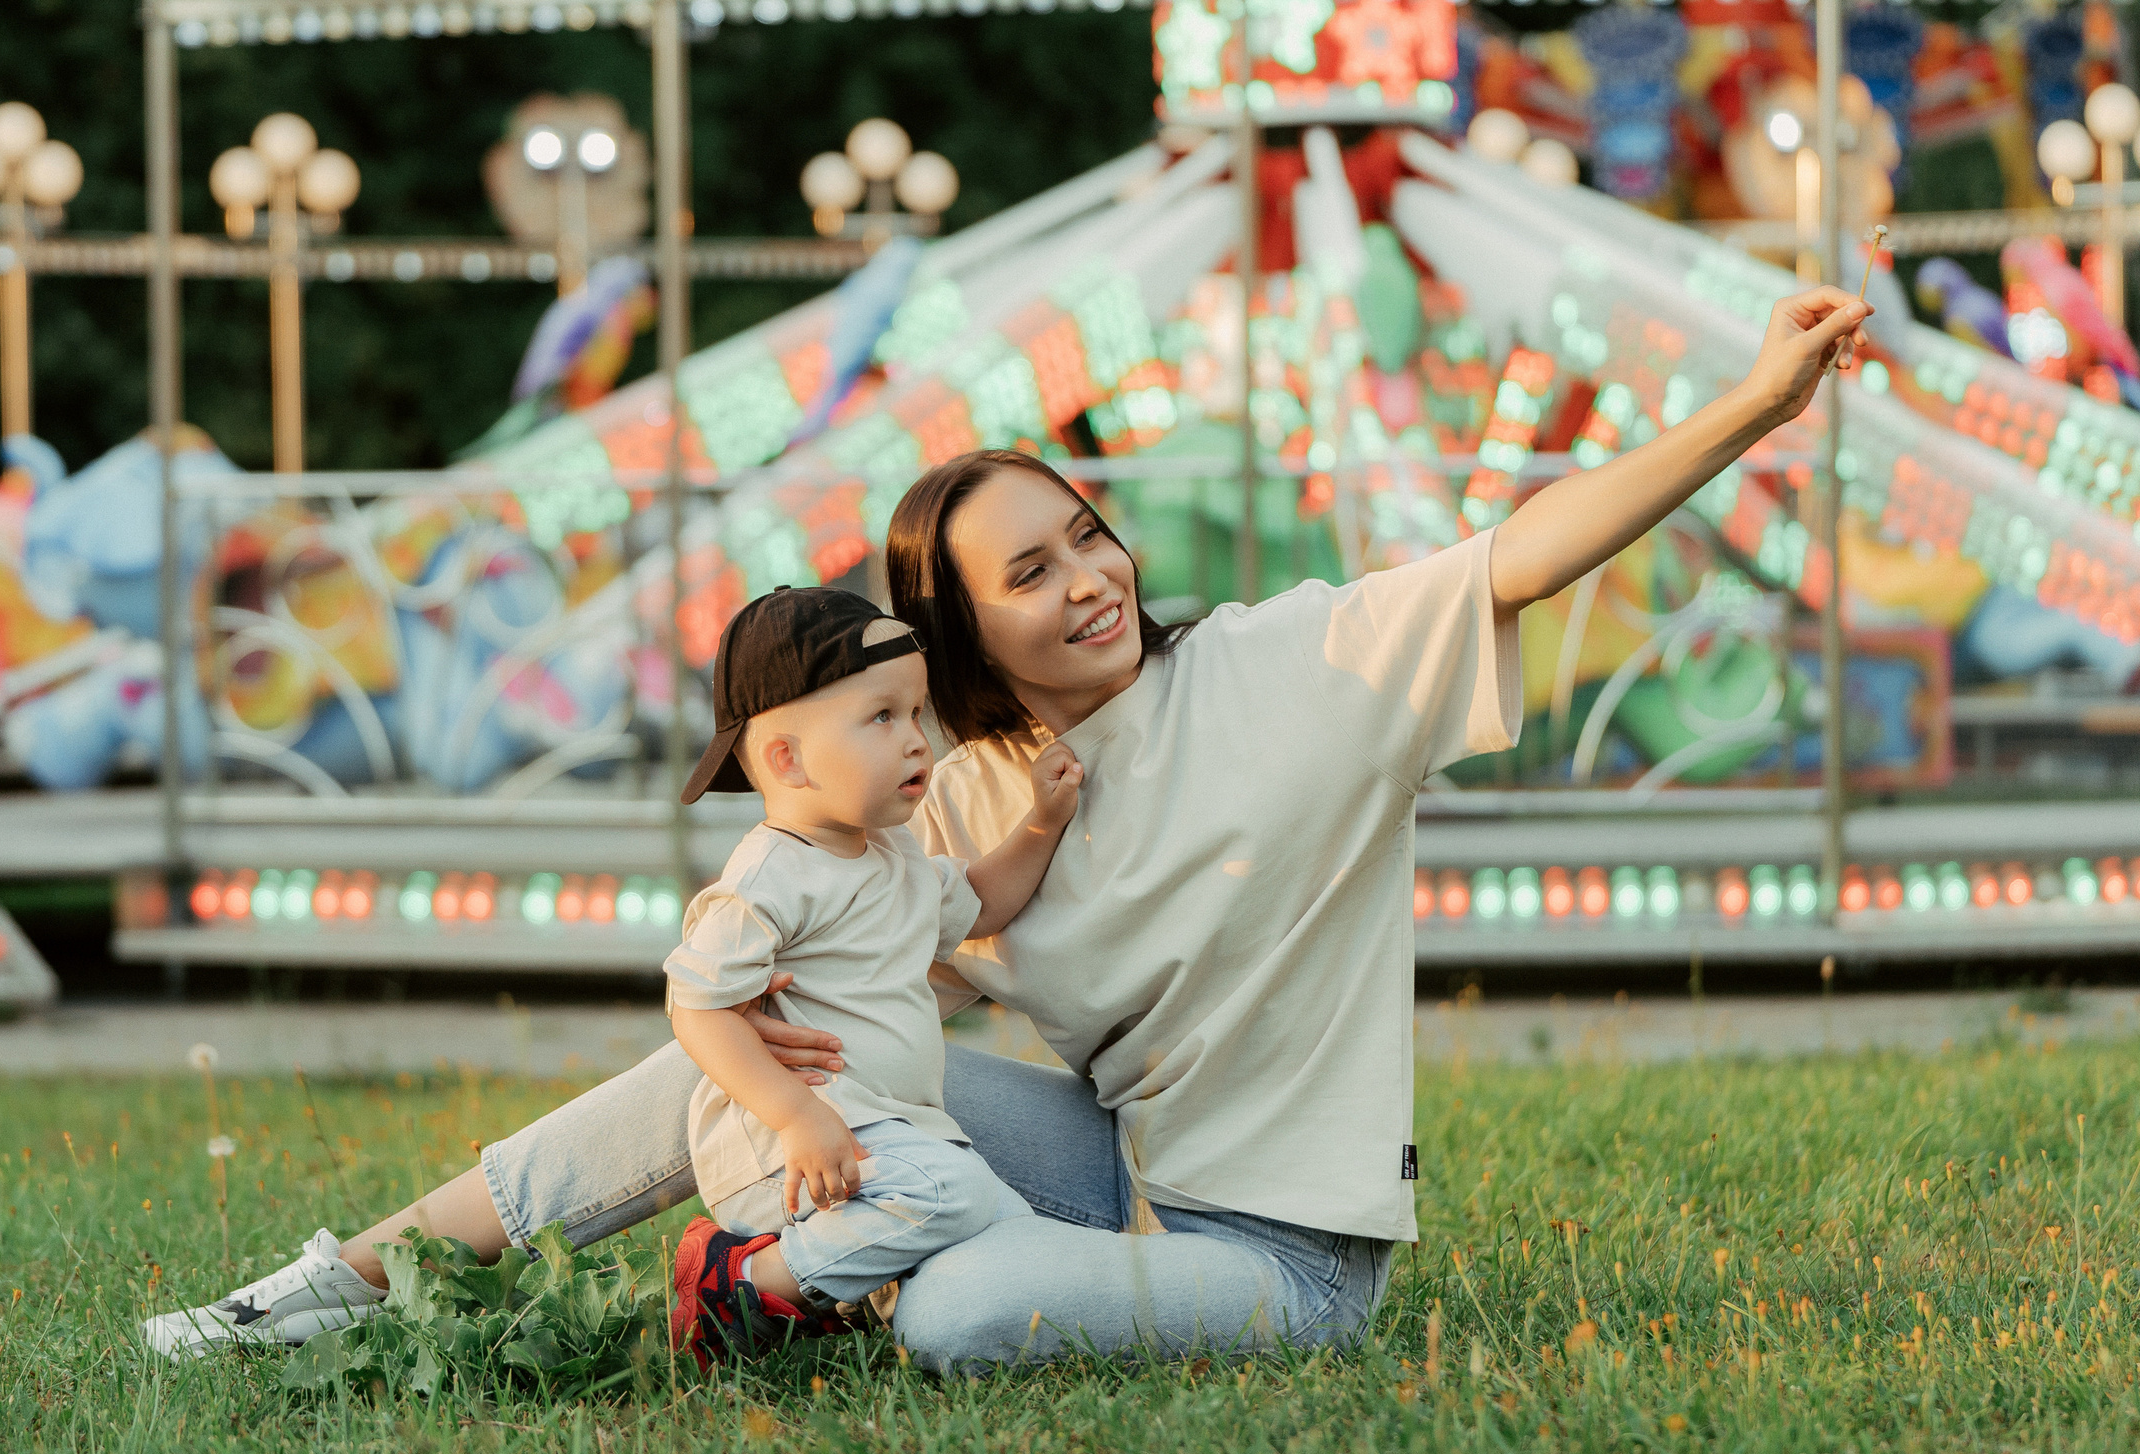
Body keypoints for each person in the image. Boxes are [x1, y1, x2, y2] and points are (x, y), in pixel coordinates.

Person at [142, 285, 1873, 1375]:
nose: (1091, 579)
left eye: (1089, 535)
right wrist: (787, 1073)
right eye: (1030, 571)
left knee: (969, 1317)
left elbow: (1529, 546)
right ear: (961, 635)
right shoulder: (953, 786)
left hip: (1278, 1250)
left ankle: (783, 1283)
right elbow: (841, 895)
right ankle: (337, 1284)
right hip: (1103, 1168)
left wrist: (1751, 407)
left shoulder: (1300, 665)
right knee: (721, 1069)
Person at [660, 585, 1079, 1365]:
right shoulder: (772, 873)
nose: (917, 740)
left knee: (1012, 1233)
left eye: (916, 714)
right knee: (950, 1194)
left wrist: (1042, 822)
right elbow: (697, 1006)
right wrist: (794, 1116)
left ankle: (848, 1303)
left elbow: (981, 902)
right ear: (788, 758)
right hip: (795, 1145)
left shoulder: (892, 853)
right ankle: (739, 1282)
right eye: (883, 717)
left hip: (894, 1136)